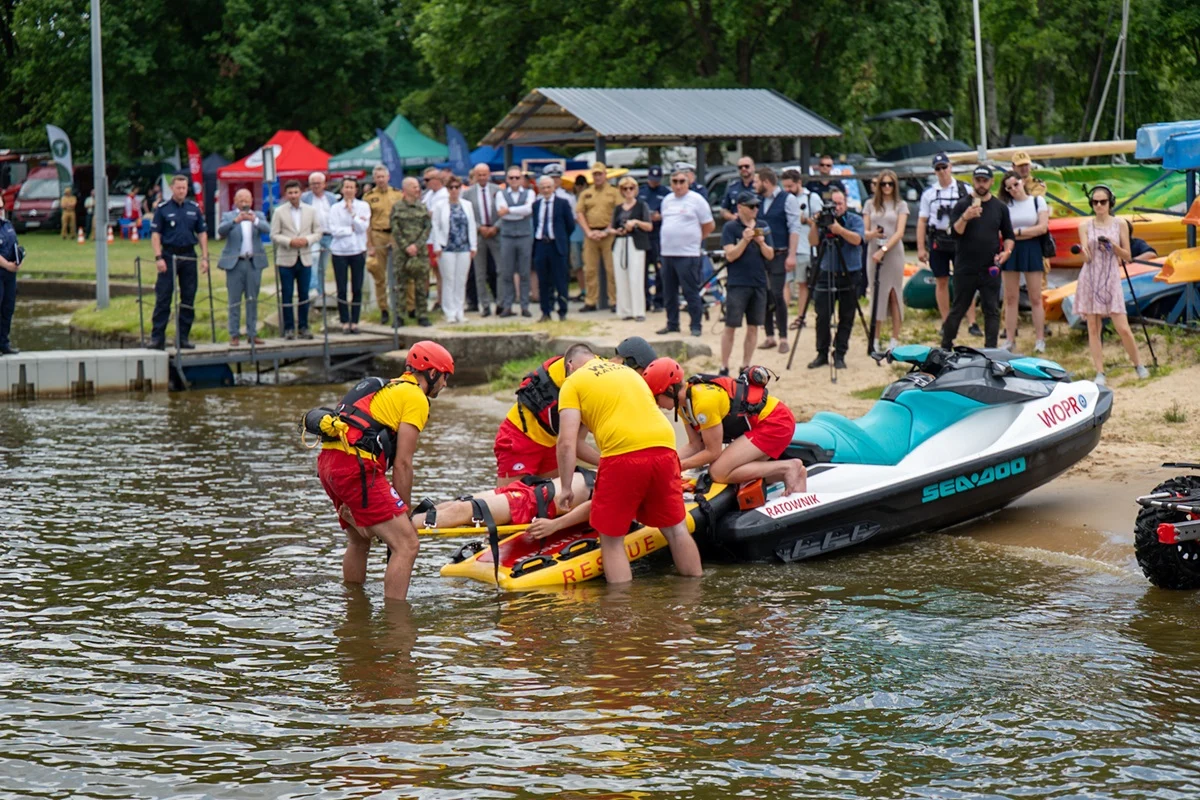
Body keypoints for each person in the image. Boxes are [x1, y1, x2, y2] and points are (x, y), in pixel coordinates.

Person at [315, 341, 454, 601]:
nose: (445, 384)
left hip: (328, 464)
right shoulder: (415, 397)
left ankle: (355, 609)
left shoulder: (387, 387)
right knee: (407, 544)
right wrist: (404, 512)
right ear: (432, 373)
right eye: (445, 376)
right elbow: (403, 463)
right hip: (355, 468)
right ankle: (396, 624)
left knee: (358, 542)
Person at [554, 343, 703, 584]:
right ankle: (693, 597)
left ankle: (621, 613)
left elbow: (566, 443)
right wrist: (603, 463)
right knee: (676, 529)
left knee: (612, 540)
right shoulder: (627, 372)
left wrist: (567, 488)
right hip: (664, 446)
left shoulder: (573, 382)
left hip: (622, 454)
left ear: (570, 366)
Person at [642, 358, 806, 494]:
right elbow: (695, 445)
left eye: (656, 399)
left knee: (718, 471)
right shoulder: (684, 406)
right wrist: (663, 462)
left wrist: (678, 466)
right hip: (764, 424)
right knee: (735, 470)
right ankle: (796, 474)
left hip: (775, 421)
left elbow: (713, 452)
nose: (656, 405)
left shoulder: (703, 401)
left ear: (670, 389)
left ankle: (788, 467)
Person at [1075, 185, 1149, 385]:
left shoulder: (1120, 224)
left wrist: (1112, 246)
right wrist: (1083, 252)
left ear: (1110, 203)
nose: (1098, 205)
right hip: (1090, 276)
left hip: (1111, 277)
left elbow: (1128, 255)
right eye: (1095, 202)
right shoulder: (1084, 226)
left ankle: (1139, 364)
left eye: (1103, 201)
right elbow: (1087, 258)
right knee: (1093, 326)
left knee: (1122, 327)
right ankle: (1100, 371)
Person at [493, 352, 600, 486]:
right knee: (511, 501)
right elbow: (574, 445)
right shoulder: (597, 380)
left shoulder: (605, 376)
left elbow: (576, 443)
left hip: (552, 442)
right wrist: (610, 463)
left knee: (554, 500)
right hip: (520, 436)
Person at [941, 166, 1014, 350]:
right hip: (965, 267)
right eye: (978, 180)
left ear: (991, 182)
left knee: (991, 310)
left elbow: (1009, 235)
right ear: (973, 181)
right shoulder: (962, 204)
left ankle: (990, 350)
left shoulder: (1000, 207)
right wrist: (965, 217)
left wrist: (1007, 252)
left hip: (990, 266)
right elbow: (954, 234)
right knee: (958, 308)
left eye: (985, 180)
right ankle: (945, 346)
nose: (981, 184)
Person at [421, 469, 595, 534]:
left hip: (536, 500)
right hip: (530, 492)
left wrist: (555, 525)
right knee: (460, 504)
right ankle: (402, 527)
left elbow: (595, 506)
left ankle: (402, 529)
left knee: (462, 508)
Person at [917, 152, 978, 331]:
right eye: (938, 169)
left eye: (944, 167)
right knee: (941, 280)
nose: (942, 171)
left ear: (950, 167)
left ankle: (972, 321)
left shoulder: (964, 189)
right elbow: (922, 221)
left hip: (961, 239)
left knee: (965, 280)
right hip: (939, 238)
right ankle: (946, 322)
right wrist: (921, 247)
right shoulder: (929, 194)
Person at [149, 175, 209, 350]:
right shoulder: (163, 209)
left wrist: (205, 257)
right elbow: (155, 235)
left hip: (189, 255)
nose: (181, 191)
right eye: (178, 188)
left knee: (188, 298)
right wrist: (158, 257)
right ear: (172, 188)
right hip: (169, 255)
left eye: (184, 188)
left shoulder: (194, 208)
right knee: (163, 297)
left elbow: (202, 233)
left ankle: (183, 338)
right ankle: (157, 338)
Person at [807, 189, 863, 370]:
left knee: (846, 316)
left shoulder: (855, 220)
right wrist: (816, 224)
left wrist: (839, 230)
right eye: (833, 204)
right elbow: (813, 242)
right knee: (822, 315)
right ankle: (821, 353)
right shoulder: (824, 221)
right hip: (827, 272)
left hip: (850, 273)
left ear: (845, 204)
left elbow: (857, 240)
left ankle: (839, 353)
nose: (836, 208)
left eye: (839, 204)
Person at [657, 167, 715, 338]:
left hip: (688, 254)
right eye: (675, 182)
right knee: (669, 292)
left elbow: (709, 225)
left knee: (691, 291)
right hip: (668, 253)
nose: (678, 185)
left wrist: (695, 240)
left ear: (688, 182)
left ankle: (695, 325)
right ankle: (672, 324)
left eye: (682, 181)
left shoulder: (697, 200)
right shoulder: (667, 200)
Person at [720, 192, 773, 375]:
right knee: (731, 325)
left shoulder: (763, 226)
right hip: (737, 283)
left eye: (757, 206)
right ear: (740, 207)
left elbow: (770, 255)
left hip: (758, 283)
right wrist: (745, 239)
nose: (755, 210)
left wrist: (761, 242)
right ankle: (724, 365)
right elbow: (730, 255)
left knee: (753, 327)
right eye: (751, 206)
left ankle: (745, 365)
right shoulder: (730, 227)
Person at [997, 170, 1050, 352]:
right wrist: (1022, 233)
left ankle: (1040, 339)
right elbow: (1000, 231)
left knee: (1035, 296)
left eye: (1016, 184)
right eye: (1009, 187)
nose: (1014, 189)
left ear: (1022, 182)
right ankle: (1010, 339)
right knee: (1011, 298)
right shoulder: (1005, 205)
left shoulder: (1037, 201)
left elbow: (1042, 228)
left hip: (1032, 248)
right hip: (1011, 249)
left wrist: (1017, 233)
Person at [755, 168, 800, 354]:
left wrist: (792, 254)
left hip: (780, 253)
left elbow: (794, 227)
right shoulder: (758, 201)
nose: (754, 185)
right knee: (763, 294)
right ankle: (769, 336)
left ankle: (783, 337)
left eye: (757, 181)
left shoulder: (787, 199)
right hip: (761, 254)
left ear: (766, 182)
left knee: (777, 294)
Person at [217, 189, 270, 346]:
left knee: (252, 299)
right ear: (235, 201)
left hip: (254, 263)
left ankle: (252, 333)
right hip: (235, 263)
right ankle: (234, 334)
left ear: (252, 200)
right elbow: (221, 231)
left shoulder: (258, 215)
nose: (244, 202)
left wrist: (254, 221)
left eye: (246, 199)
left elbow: (267, 229)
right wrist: (236, 220)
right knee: (234, 300)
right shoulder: (229, 216)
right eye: (240, 199)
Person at [271, 180, 323, 340]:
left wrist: (307, 240)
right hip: (286, 259)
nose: (293, 196)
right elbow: (274, 234)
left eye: (296, 192)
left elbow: (318, 231)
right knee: (286, 294)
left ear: (301, 193)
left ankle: (303, 326)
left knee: (304, 294)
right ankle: (288, 328)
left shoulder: (311, 211)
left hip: (305, 257)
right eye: (290, 193)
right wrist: (289, 241)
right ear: (286, 195)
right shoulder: (279, 212)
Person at [863, 168, 908, 351]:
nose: (887, 187)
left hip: (893, 251)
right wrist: (872, 234)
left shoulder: (901, 205)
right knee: (877, 293)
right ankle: (875, 338)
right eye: (883, 183)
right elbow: (865, 232)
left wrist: (884, 249)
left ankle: (894, 339)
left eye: (890, 183)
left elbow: (900, 232)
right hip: (874, 249)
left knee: (893, 294)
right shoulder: (870, 204)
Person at [575, 162, 622, 312]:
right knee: (589, 269)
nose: (597, 177)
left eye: (600, 174)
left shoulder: (614, 192)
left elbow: (619, 212)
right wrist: (588, 231)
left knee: (611, 269)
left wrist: (607, 230)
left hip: (608, 234)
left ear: (605, 175)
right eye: (595, 174)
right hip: (591, 235)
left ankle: (614, 301)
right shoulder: (586, 193)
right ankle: (591, 301)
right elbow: (579, 213)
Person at [430, 176, 476, 324]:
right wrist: (437, 246)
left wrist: (473, 246)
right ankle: (449, 311)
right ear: (447, 189)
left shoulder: (467, 205)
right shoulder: (440, 206)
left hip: (464, 246)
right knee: (448, 280)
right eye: (451, 188)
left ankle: (459, 310)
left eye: (457, 187)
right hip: (447, 247)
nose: (454, 190)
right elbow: (436, 226)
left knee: (461, 280)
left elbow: (472, 226)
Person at [328, 176, 371, 334]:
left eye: (351, 187)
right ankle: (344, 321)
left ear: (356, 190)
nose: (348, 190)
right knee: (341, 288)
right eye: (346, 187)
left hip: (358, 250)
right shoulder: (335, 208)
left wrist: (353, 214)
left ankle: (355, 321)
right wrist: (349, 229)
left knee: (357, 288)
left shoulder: (363, 206)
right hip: (339, 251)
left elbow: (362, 227)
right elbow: (334, 230)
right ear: (342, 189)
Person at [781, 169, 822, 333]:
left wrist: (804, 218)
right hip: (786, 246)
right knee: (785, 283)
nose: (787, 190)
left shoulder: (812, 198)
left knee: (802, 283)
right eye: (785, 186)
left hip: (805, 246)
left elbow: (819, 222)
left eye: (790, 186)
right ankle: (783, 317)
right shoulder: (783, 199)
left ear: (798, 183)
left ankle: (801, 317)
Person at [390, 177, 433, 327]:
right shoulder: (397, 207)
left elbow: (427, 228)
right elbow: (395, 229)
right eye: (414, 187)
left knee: (421, 285)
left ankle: (422, 314)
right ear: (406, 188)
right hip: (402, 253)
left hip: (419, 252)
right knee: (400, 285)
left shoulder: (422, 207)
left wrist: (417, 246)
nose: (417, 189)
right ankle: (399, 316)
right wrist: (406, 246)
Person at [363, 165, 403, 324]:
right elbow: (366, 222)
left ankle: (400, 309)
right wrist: (370, 244)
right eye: (377, 177)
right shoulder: (369, 197)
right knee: (380, 276)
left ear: (388, 177)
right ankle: (384, 309)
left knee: (398, 274)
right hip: (378, 234)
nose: (380, 179)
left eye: (383, 176)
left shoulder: (398, 194)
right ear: (374, 179)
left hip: (395, 235)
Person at [531, 175, 575, 322]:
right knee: (543, 280)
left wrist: (560, 237)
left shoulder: (562, 203)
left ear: (553, 187)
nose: (546, 190)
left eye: (548, 187)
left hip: (557, 245)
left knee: (560, 279)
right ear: (539, 188)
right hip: (541, 244)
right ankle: (546, 311)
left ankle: (562, 311)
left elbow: (570, 225)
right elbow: (536, 223)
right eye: (543, 187)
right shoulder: (536, 205)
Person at [494, 166, 535, 318]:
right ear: (507, 179)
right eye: (511, 178)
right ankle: (507, 305)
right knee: (507, 273)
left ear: (522, 179)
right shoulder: (501, 194)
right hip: (507, 236)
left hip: (524, 235)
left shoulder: (529, 193)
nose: (514, 180)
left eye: (517, 177)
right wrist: (518, 211)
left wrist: (510, 210)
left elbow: (529, 210)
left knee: (525, 272)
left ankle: (524, 305)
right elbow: (501, 213)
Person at [609, 176, 652, 321]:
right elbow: (611, 228)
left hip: (636, 243)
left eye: (631, 188)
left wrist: (635, 223)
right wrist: (617, 231)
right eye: (625, 188)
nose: (628, 191)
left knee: (636, 277)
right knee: (621, 277)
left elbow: (649, 226)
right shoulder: (618, 208)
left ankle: (639, 310)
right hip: (620, 243)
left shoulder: (641, 206)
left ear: (635, 190)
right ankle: (625, 310)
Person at [464, 163, 500, 318]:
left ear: (489, 174)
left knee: (500, 270)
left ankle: (501, 303)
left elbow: (502, 212)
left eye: (485, 174)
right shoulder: (468, 194)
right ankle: (484, 305)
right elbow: (468, 215)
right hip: (478, 235)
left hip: (496, 233)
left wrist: (495, 227)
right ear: (475, 176)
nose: (482, 177)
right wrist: (480, 228)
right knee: (479, 272)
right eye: (479, 175)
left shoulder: (498, 191)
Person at [638, 166, 670, 311]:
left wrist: (660, 216)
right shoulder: (641, 191)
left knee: (660, 270)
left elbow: (670, 213)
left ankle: (659, 301)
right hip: (644, 235)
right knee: (642, 270)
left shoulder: (666, 193)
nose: (654, 182)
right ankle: (645, 301)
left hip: (659, 235)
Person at [301, 172, 334, 303]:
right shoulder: (305, 198)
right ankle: (312, 289)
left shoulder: (331, 198)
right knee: (313, 259)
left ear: (324, 184)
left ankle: (321, 291)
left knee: (323, 266)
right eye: (313, 184)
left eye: (318, 183)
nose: (316, 186)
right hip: (313, 235)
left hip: (328, 235)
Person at [421, 167, 449, 307]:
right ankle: (431, 299)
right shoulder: (429, 194)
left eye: (427, 180)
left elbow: (431, 214)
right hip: (428, 238)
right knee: (428, 270)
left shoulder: (443, 195)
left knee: (439, 271)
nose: (425, 183)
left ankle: (441, 300)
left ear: (437, 180)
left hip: (437, 238)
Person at [0, 192, 21, 355]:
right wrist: (7, 265)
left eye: (1, 208)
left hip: (10, 275)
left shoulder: (7, 225)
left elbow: (14, 245)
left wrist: (18, 258)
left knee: (8, 308)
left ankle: (4, 343)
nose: (0, 211)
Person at [720, 156, 756, 221]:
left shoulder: (760, 186)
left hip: (757, 225)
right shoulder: (732, 187)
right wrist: (733, 217)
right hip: (737, 226)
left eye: (746, 166)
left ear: (753, 167)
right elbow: (723, 210)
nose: (743, 169)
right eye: (740, 167)